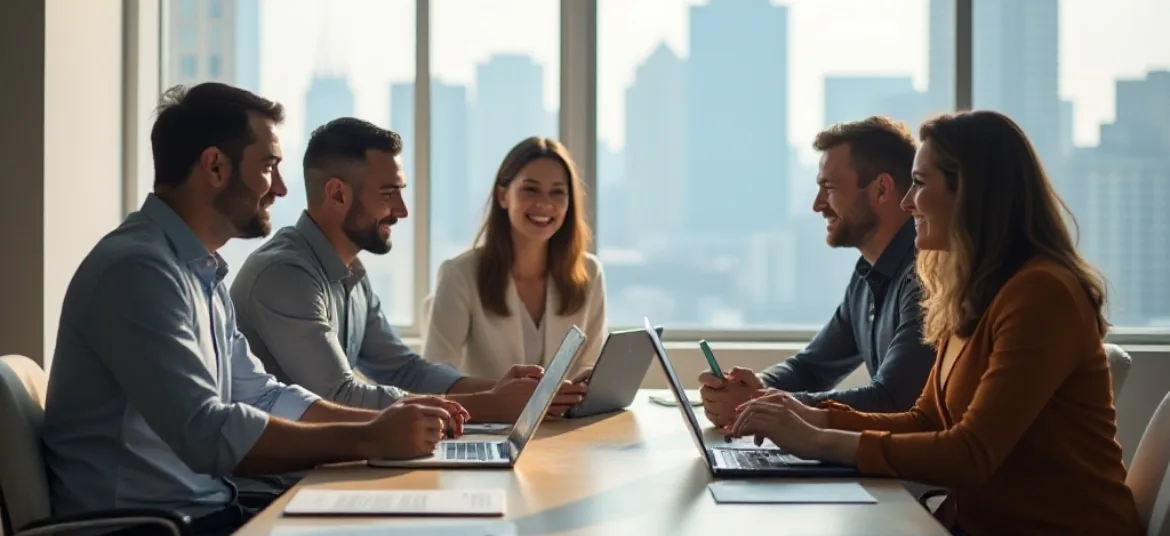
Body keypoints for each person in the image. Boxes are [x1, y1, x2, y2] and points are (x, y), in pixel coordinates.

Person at [42, 83, 467, 536]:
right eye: (269, 167)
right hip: (149, 527)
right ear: (215, 166)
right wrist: (368, 437)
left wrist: (382, 423)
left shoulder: (197, 271)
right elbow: (207, 431)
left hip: (207, 510)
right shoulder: (137, 272)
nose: (281, 189)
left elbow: (263, 395)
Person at [729, 110, 1142, 536]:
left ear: (971, 194)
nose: (908, 203)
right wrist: (811, 417)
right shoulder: (971, 292)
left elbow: (971, 453)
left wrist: (820, 441)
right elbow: (925, 419)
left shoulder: (1041, 293)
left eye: (921, 184)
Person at [231, 120, 584, 423]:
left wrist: (505, 389)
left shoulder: (352, 274)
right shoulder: (285, 275)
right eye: (389, 194)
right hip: (276, 489)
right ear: (337, 194)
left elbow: (407, 370)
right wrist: (489, 405)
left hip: (322, 470)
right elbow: (341, 396)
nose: (401, 211)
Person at [698, 116, 935, 427]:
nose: (817, 204)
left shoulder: (926, 278)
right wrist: (753, 385)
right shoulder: (867, 276)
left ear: (881, 189)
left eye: (829, 187)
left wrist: (757, 403)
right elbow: (811, 367)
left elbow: (893, 400)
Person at [422, 136, 607, 391]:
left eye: (557, 192)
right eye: (530, 189)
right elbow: (435, 374)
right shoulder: (459, 275)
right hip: (487, 426)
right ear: (503, 196)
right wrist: (502, 394)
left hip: (566, 427)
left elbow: (591, 366)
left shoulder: (589, 274)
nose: (544, 203)